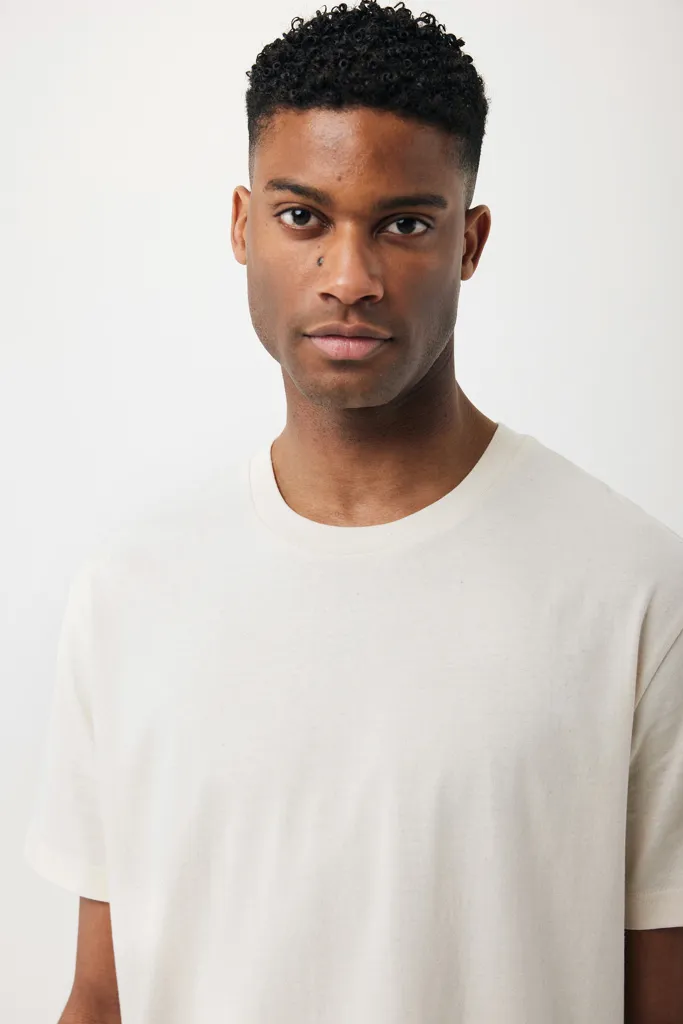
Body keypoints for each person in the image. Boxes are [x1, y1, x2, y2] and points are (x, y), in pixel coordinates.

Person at [24, 2, 683, 1022]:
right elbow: (101, 997)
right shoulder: (129, 595)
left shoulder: (631, 588)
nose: (349, 279)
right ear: (242, 226)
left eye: (403, 225)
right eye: (303, 218)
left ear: (469, 242)